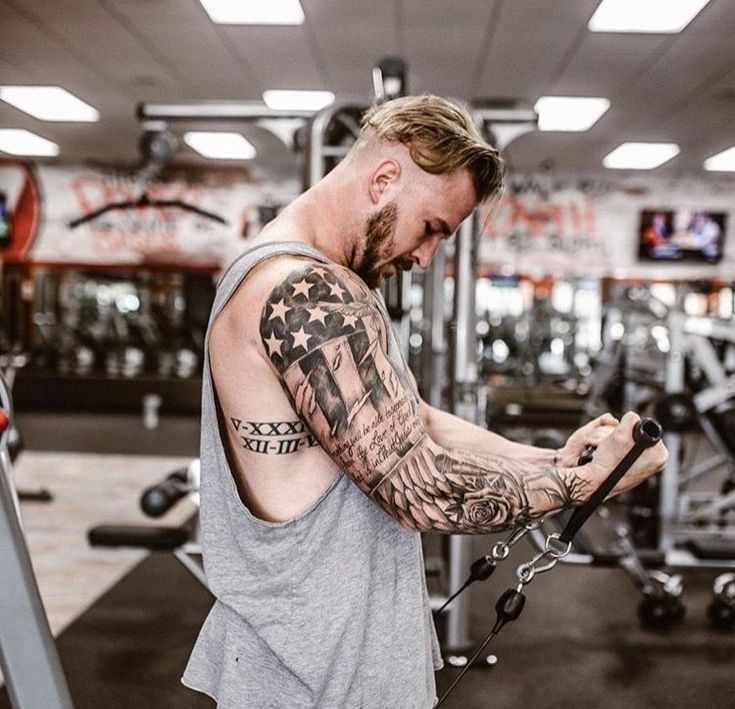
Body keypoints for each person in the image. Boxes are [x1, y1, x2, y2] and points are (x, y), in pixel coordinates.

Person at [182, 95, 668, 708]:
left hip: (329, 657)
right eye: (433, 228)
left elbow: (409, 421)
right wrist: (592, 485)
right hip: (308, 673)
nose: (424, 257)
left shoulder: (326, 281)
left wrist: (552, 461)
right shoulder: (304, 291)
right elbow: (419, 486)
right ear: (384, 179)